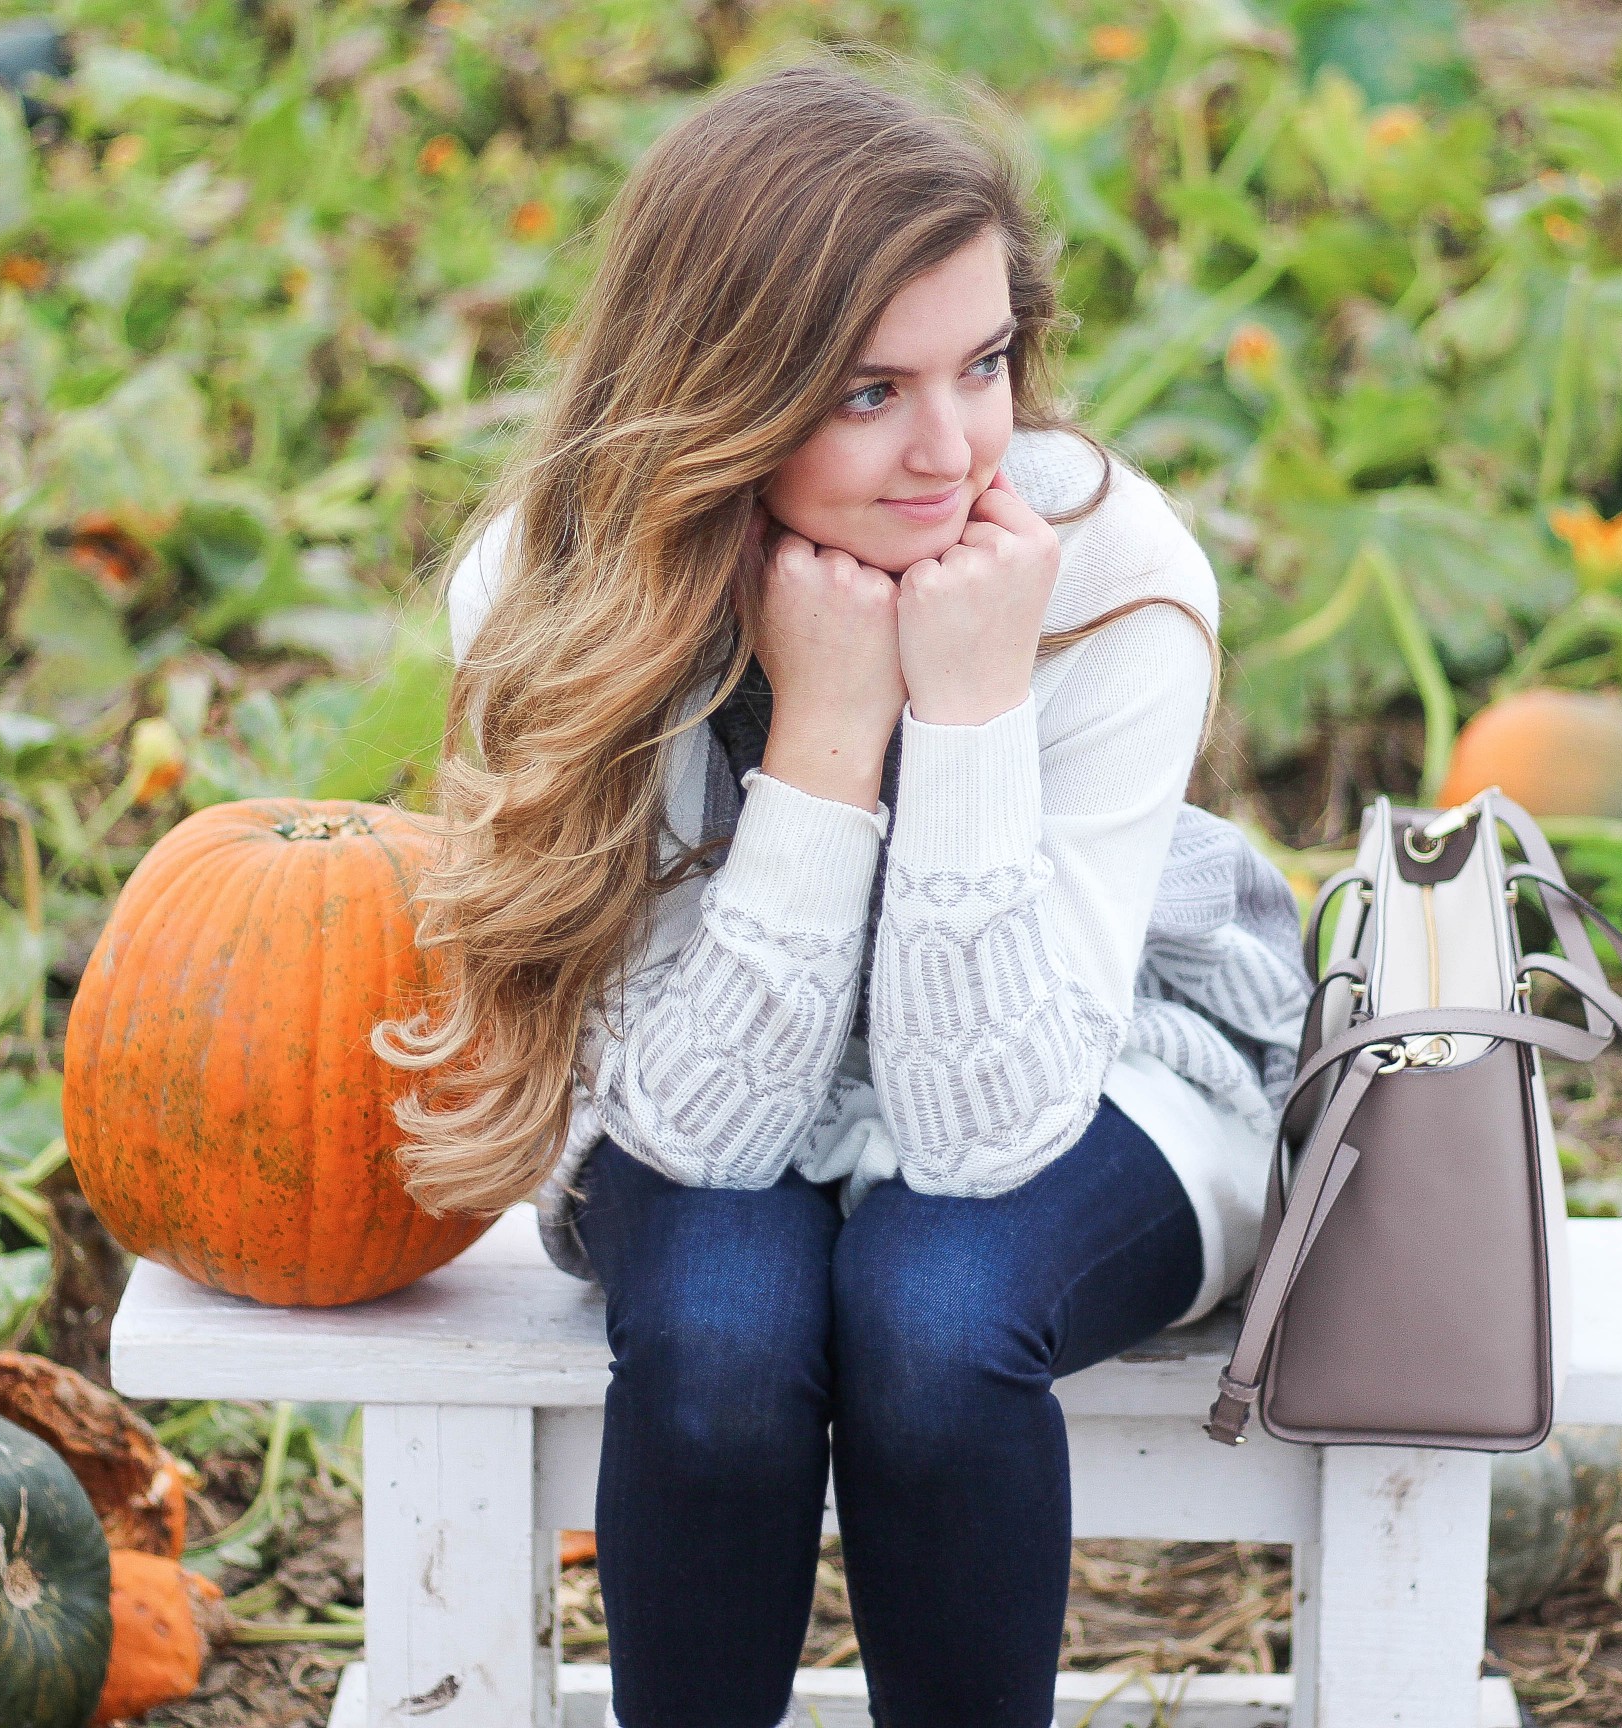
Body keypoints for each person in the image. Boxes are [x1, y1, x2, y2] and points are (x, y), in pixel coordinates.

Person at [375, 51, 1313, 1728]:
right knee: (726, 1341)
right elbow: (698, 1130)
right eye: (867, 392)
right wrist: (823, 730)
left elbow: (982, 1137)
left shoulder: (1113, 576)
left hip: (1094, 1064)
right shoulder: (552, 587)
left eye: (985, 365)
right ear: (720, 388)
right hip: (700, 1081)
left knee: (934, 1319)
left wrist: (964, 710)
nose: (952, 452)